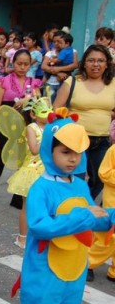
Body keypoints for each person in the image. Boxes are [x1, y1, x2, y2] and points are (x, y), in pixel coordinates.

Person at [0, 108, 115, 304]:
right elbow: (40, 226)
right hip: (44, 269)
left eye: (77, 152)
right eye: (65, 151)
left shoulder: (78, 186)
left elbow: (96, 218)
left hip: (75, 267)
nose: (73, 159)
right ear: (49, 149)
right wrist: (84, 216)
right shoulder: (40, 188)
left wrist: (109, 216)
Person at [53, 44, 115, 199]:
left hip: (102, 141)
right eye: (91, 60)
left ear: (107, 64)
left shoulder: (113, 83)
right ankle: (72, 208)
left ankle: (85, 202)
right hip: (76, 141)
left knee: (101, 178)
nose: (96, 64)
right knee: (76, 178)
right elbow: (56, 110)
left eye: (100, 61)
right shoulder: (72, 82)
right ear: (84, 63)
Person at [0, 49, 42, 202]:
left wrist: (27, 100)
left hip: (27, 126)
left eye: (26, 64)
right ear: (13, 63)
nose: (22, 67)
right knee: (2, 156)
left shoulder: (33, 83)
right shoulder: (4, 81)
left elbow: (39, 103)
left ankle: (19, 198)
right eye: (19, 63)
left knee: (25, 159)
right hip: (7, 126)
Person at [6, 98, 52, 248]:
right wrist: (49, 137)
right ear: (33, 114)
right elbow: (34, 149)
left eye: (50, 111)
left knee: (46, 206)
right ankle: (22, 237)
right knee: (28, 206)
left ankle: (42, 234)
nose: (49, 115)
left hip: (47, 172)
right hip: (31, 171)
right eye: (44, 112)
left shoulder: (51, 127)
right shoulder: (31, 128)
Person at [88, 142, 115, 282]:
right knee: (108, 237)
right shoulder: (113, 150)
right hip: (112, 203)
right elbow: (104, 173)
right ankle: (87, 263)